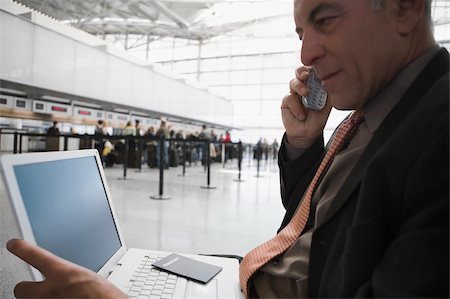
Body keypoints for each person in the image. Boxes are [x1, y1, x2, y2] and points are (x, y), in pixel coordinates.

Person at [6, 0, 449, 298]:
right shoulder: (375, 115)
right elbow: (318, 221)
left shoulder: (438, 133)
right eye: (300, 31)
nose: (307, 51)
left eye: (325, 19)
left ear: (404, 7)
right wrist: (303, 141)